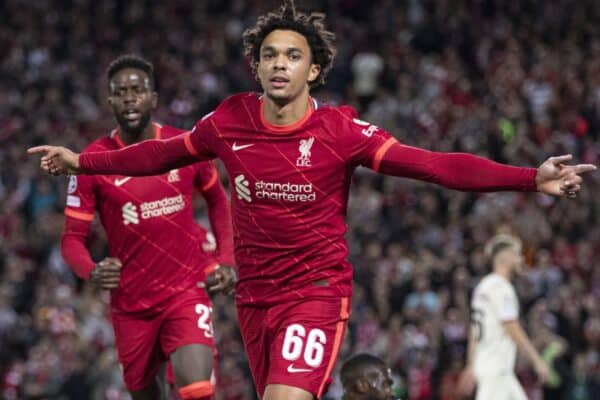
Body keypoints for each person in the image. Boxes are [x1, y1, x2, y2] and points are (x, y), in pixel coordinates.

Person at [28, 1, 596, 399]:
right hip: (253, 300)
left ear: (314, 68)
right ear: (256, 65)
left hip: (316, 292)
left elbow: (434, 165)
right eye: (270, 54)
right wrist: (86, 160)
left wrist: (529, 177)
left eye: (293, 55)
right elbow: (158, 155)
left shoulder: (339, 131)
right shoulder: (228, 120)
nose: (279, 63)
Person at [59, 54, 234, 400]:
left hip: (186, 290)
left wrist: (228, 259)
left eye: (137, 90)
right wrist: (91, 271)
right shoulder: (91, 163)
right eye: (120, 92)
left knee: (197, 387)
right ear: (109, 101)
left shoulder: (184, 146)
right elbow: (72, 239)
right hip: (131, 304)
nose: (128, 98)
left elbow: (219, 201)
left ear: (153, 98)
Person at [458, 234, 552, 400]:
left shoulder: (483, 287)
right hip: (496, 370)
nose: (521, 259)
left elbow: (475, 330)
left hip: (493, 368)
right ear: (505, 257)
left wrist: (471, 364)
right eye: (517, 254)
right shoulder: (502, 288)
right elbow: (511, 327)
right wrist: (537, 361)